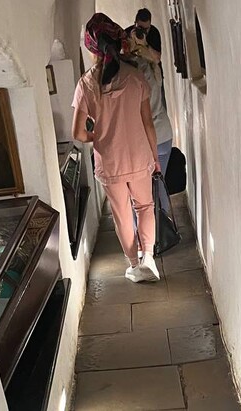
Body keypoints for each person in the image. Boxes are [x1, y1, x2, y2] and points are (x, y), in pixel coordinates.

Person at [72, 13, 161, 283]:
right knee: (144, 206)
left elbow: (77, 133)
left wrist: (99, 135)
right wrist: (155, 158)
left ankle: (133, 265)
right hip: (139, 156)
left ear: (92, 48)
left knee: (122, 214)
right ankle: (148, 257)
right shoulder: (136, 78)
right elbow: (148, 124)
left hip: (110, 162)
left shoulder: (86, 84)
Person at [128, 27, 173, 212]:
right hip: (164, 133)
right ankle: (166, 228)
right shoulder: (154, 67)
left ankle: (150, 233)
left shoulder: (130, 74)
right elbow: (155, 58)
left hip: (144, 139)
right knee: (161, 184)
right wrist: (143, 46)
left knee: (142, 193)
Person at [125, 8, 166, 108]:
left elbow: (157, 59)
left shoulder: (154, 33)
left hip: (154, 77)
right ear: (135, 23)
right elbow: (124, 56)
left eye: (146, 29)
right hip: (136, 79)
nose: (143, 32)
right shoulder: (126, 34)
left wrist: (145, 44)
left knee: (159, 109)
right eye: (140, 28)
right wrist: (131, 42)